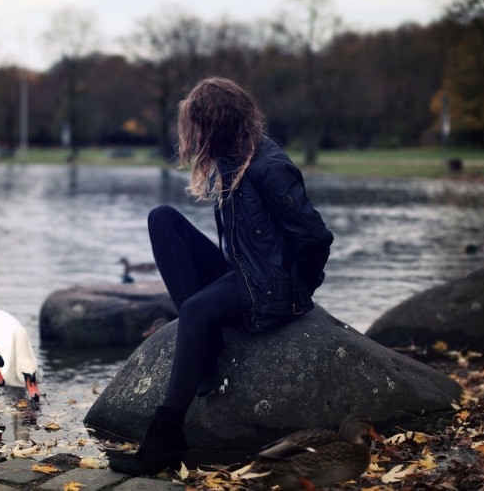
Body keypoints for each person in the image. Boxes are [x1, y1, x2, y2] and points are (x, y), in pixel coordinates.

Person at [108, 76, 334, 476]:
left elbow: (315, 237)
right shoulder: (232, 159)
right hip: (244, 275)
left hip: (269, 290)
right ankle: (205, 353)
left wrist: (299, 292)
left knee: (194, 311)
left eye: (196, 125)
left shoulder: (269, 167)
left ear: (216, 124)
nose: (191, 134)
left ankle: (165, 439)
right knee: (163, 218)